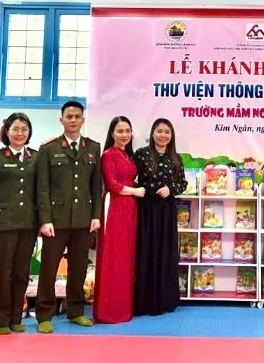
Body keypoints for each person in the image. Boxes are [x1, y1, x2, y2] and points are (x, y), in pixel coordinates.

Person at [35, 101, 101, 333]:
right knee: (49, 268)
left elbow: (96, 187)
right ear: (61, 119)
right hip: (56, 220)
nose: (73, 120)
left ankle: (76, 312)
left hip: (83, 219)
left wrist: (95, 215)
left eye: (77, 116)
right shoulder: (49, 148)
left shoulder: (93, 147)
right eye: (68, 116)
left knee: (79, 267)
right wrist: (45, 219)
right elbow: (42, 188)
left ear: (83, 119)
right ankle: (44, 314)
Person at [0, 112, 38, 334]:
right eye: (15, 129)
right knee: (3, 273)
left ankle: (16, 316)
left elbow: (40, 191)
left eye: (24, 129)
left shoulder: (36, 156)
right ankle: (1, 320)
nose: (20, 133)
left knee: (21, 272)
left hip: (28, 224)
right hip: (3, 224)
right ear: (7, 131)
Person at [93, 116, 146, 323]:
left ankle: (124, 308)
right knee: (113, 256)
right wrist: (135, 190)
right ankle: (109, 311)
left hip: (130, 208)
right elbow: (112, 184)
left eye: (127, 131)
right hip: (114, 207)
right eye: (120, 131)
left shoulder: (127, 155)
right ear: (112, 133)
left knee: (126, 257)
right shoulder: (108, 155)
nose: (124, 135)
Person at [133, 118, 187, 315]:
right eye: (160, 131)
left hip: (167, 211)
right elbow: (129, 176)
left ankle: (165, 300)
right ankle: (145, 302)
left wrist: (170, 188)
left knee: (165, 252)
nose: (163, 135)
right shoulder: (142, 154)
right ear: (152, 133)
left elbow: (183, 183)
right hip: (146, 209)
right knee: (146, 251)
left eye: (167, 132)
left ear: (171, 136)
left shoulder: (176, 158)